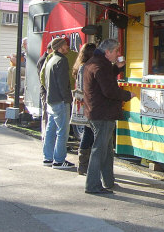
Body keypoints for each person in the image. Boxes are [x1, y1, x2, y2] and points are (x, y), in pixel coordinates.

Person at [82, 38, 134, 194]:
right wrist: (127, 95)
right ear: (108, 52)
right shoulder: (100, 65)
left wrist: (116, 69)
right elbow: (108, 90)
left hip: (96, 111)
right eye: (116, 51)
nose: (118, 54)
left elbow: (102, 79)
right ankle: (92, 185)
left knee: (106, 150)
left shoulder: (95, 62)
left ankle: (108, 181)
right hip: (103, 113)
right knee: (100, 150)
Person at [42, 37, 75, 169]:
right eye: (65, 45)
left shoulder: (50, 60)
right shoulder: (62, 60)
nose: (67, 47)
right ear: (60, 47)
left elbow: (44, 77)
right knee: (63, 131)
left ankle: (47, 157)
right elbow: (63, 84)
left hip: (51, 99)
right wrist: (68, 98)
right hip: (61, 100)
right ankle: (59, 160)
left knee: (51, 129)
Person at [72, 42, 97, 175]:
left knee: (88, 133)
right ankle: (84, 164)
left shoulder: (80, 66)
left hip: (82, 103)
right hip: (87, 103)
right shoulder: (86, 67)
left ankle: (83, 164)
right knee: (89, 133)